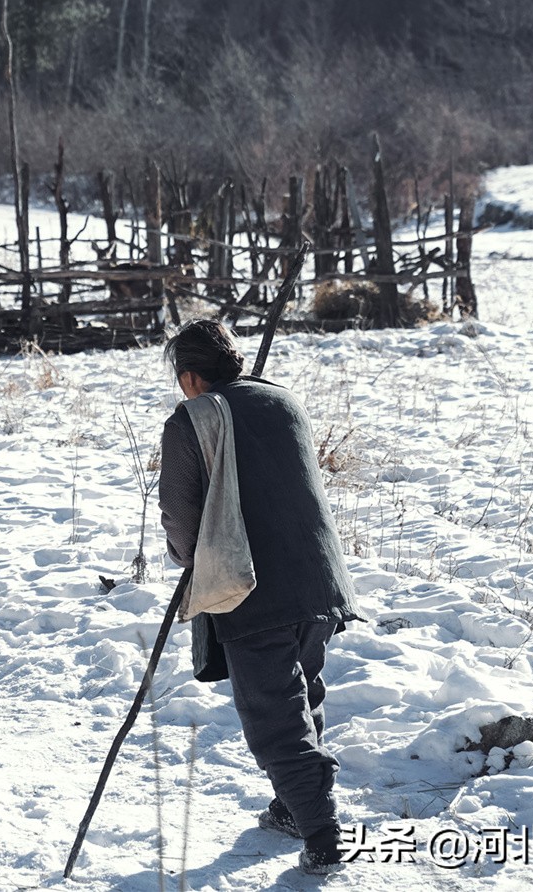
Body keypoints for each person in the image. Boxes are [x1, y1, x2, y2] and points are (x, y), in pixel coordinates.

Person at [156, 319, 359, 876]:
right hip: (319, 578)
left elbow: (180, 513)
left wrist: (189, 557)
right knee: (301, 693)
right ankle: (294, 808)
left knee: (273, 715)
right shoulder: (282, 400)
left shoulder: (192, 419)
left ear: (190, 377)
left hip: (252, 586)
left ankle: (322, 833)